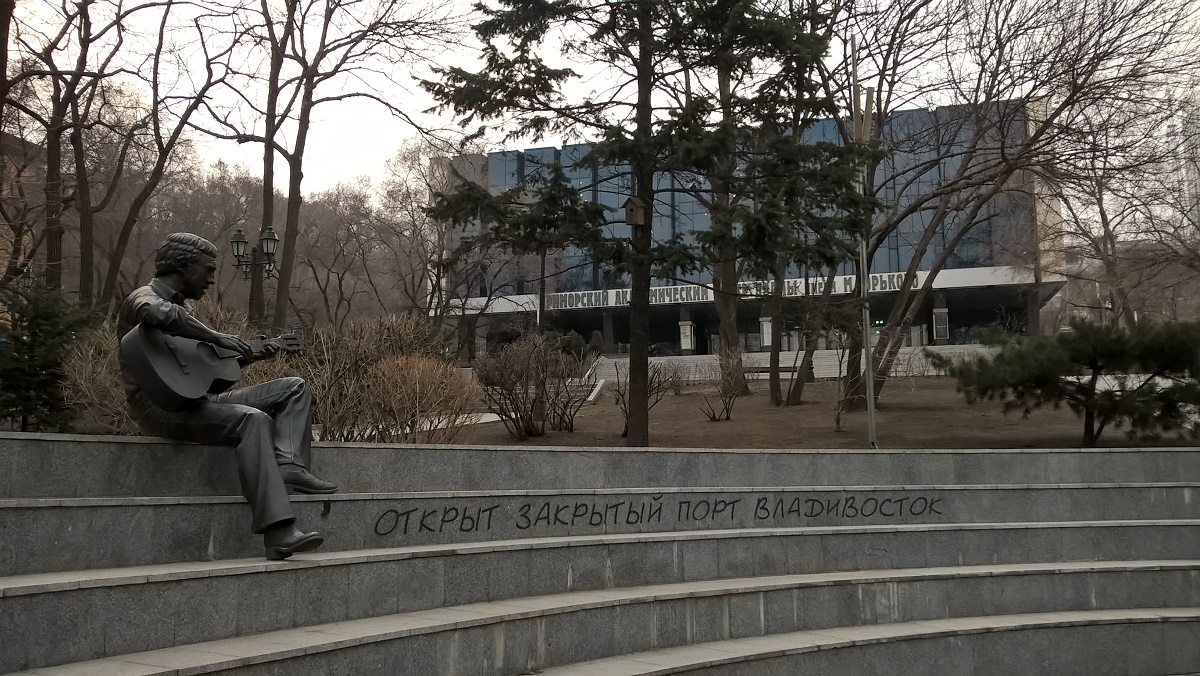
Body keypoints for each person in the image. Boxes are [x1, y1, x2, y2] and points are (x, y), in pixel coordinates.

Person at [117, 232, 338, 560]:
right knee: (251, 420)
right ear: (182, 265)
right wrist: (219, 336)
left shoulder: (184, 317)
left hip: (193, 403)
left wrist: (252, 352)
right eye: (206, 269)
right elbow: (160, 315)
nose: (211, 278)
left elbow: (205, 379)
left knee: (294, 387)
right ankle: (279, 533)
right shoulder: (143, 297)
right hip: (160, 409)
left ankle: (289, 465)